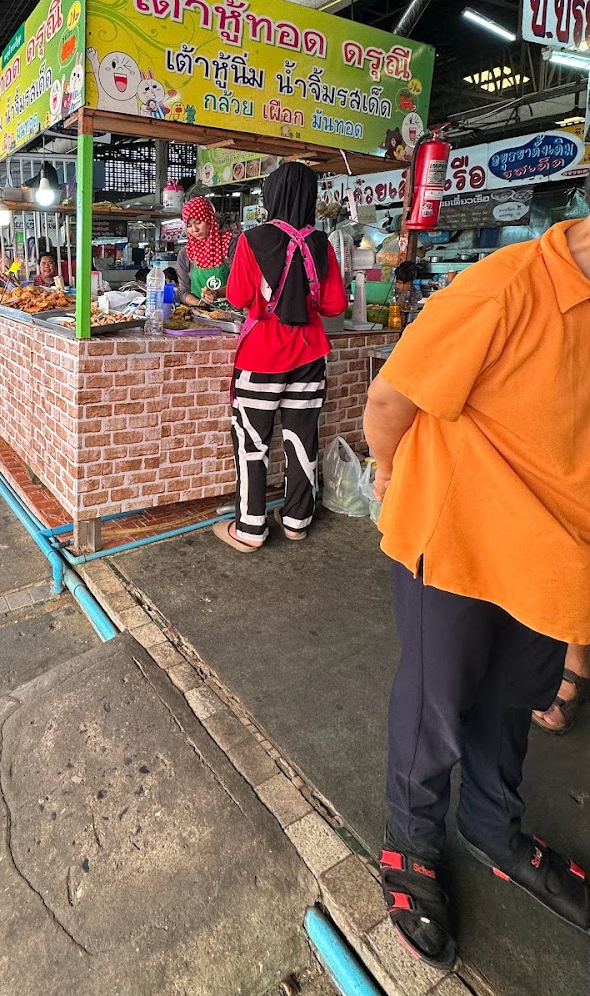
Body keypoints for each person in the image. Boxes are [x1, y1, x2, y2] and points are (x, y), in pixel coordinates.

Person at [363, 204, 590, 970]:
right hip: (454, 535)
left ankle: (493, 825)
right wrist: (391, 477)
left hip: (552, 556)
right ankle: (410, 842)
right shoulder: (505, 287)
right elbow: (390, 401)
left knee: (512, 701)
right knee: (437, 705)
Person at [213, 162, 347, 553]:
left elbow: (238, 297)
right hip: (310, 355)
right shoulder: (321, 243)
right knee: (302, 437)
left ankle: (251, 528)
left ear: (272, 196)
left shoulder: (252, 239)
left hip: (262, 357)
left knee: (252, 442)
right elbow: (336, 305)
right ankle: (296, 521)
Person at [177, 195, 232, 305]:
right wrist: (200, 304)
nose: (195, 229)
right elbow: (183, 292)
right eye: (189, 225)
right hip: (201, 315)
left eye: (198, 222)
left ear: (209, 219)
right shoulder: (185, 254)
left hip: (233, 314)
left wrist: (217, 293)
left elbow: (241, 283)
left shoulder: (229, 244)